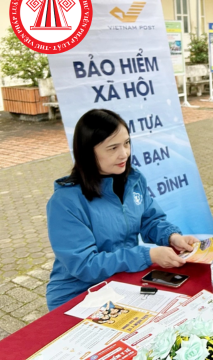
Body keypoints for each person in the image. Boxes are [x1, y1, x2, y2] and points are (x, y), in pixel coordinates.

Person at [46, 109, 199, 310]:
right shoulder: (65, 202)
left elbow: (150, 220)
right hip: (78, 295)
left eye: (127, 143)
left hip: (122, 283)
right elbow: (84, 265)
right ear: (88, 151)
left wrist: (172, 237)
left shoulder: (133, 180)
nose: (124, 153)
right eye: (113, 148)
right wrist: (148, 256)